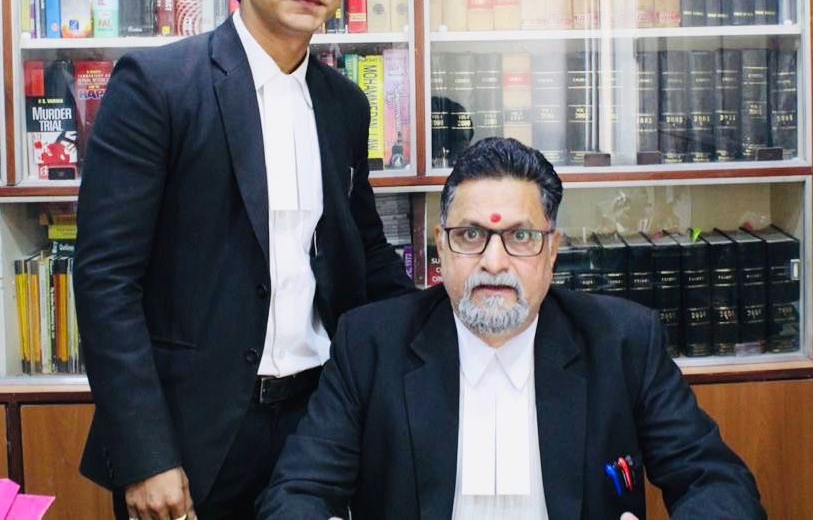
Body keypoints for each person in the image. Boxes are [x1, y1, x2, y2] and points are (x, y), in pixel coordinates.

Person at [73, 0, 414, 520]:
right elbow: (105, 280)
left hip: (317, 421)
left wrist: (450, 323)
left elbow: (364, 252)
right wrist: (145, 454)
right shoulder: (159, 86)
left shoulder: (344, 104)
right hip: (192, 431)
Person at [258, 136, 767, 520]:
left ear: (553, 250)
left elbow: (718, 482)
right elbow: (295, 492)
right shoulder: (372, 345)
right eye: (470, 235)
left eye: (521, 237)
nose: (494, 262)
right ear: (440, 246)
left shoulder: (622, 342)